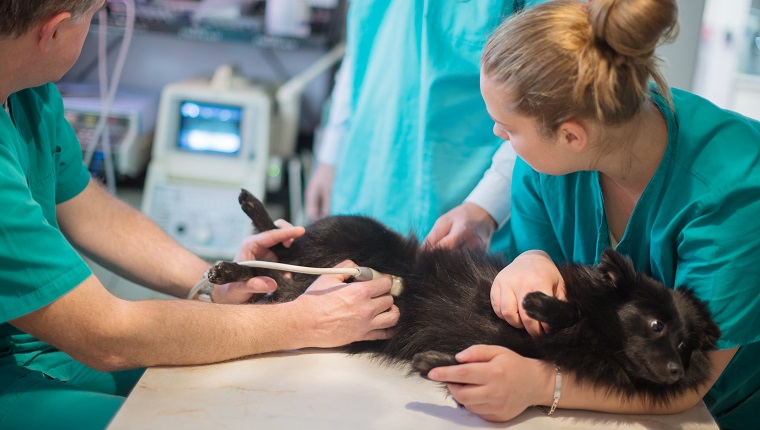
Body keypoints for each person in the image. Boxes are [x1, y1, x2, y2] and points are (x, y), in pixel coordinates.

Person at [0, 1, 399, 428]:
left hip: (42, 346)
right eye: (95, 16)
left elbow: (90, 212)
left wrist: (213, 285)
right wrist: (300, 320)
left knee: (244, 394)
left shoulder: (29, 91)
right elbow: (107, 335)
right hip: (29, 365)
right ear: (54, 31)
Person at [424, 0, 760, 428]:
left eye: (508, 129)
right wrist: (532, 261)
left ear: (571, 135)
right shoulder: (545, 169)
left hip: (720, 409)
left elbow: (687, 380)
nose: (498, 136)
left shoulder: (733, 196)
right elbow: (558, 290)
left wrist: (542, 385)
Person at [305, 1, 551, 254]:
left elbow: (545, 97)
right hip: (365, 176)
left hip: (468, 207)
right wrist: (330, 156)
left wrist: (485, 207)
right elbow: (361, 46)